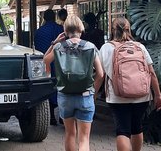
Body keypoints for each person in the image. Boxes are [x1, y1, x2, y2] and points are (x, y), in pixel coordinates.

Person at [98, 17, 161, 151]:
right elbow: (152, 73)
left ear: (112, 30)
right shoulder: (140, 47)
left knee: (123, 130)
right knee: (136, 127)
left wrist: (93, 93)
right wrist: (158, 95)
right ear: (129, 29)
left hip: (117, 97)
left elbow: (100, 75)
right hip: (142, 96)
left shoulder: (106, 48)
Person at [44, 15, 104, 151]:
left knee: (70, 134)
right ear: (81, 29)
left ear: (65, 30)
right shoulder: (90, 47)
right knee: (84, 139)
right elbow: (100, 74)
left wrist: (53, 43)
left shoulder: (59, 47)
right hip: (85, 96)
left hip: (65, 96)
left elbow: (45, 61)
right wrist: (93, 93)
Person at [34, 9, 63, 125]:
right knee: (61, 88)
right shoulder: (59, 30)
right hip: (58, 64)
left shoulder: (39, 31)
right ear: (54, 16)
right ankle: (62, 116)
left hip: (43, 64)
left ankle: (51, 116)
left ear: (44, 18)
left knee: (47, 88)